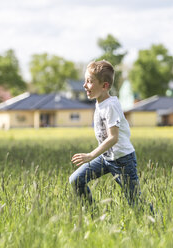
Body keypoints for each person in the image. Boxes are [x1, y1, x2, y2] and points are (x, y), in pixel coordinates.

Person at [69, 60, 140, 206]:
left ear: (104, 86)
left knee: (135, 202)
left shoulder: (110, 106)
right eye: (85, 81)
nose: (84, 85)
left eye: (89, 81)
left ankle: (153, 224)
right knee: (76, 180)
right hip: (106, 158)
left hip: (123, 161)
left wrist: (90, 155)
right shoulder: (100, 102)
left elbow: (113, 138)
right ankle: (94, 216)